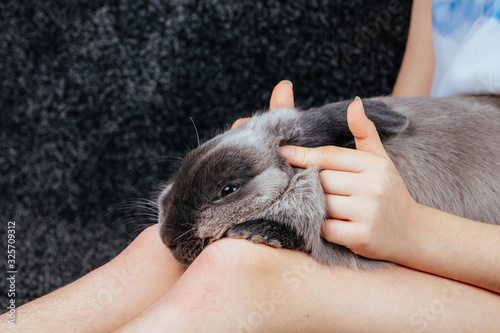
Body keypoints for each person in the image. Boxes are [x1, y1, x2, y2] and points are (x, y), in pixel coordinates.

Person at [2, 0, 499, 331]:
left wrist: (414, 231)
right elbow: (402, 103)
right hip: (447, 162)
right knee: (161, 251)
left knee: (236, 269)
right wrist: (298, 136)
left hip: (472, 255)